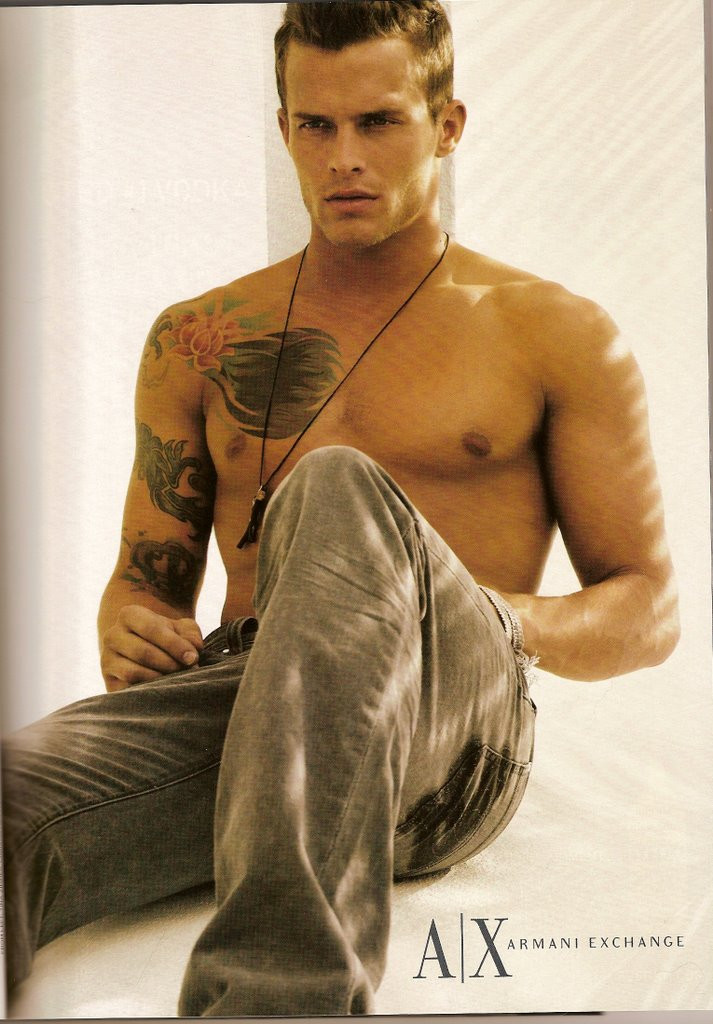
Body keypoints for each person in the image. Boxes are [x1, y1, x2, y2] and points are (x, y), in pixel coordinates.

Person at [2, 1, 679, 1016]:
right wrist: (131, 621)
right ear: (284, 129)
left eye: (378, 122)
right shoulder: (197, 338)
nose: (343, 157)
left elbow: (647, 609)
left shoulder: (555, 332)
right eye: (315, 126)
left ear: (446, 126)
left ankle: (282, 1001)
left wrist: (493, 616)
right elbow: (145, 583)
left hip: (452, 720)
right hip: (246, 697)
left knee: (331, 483)